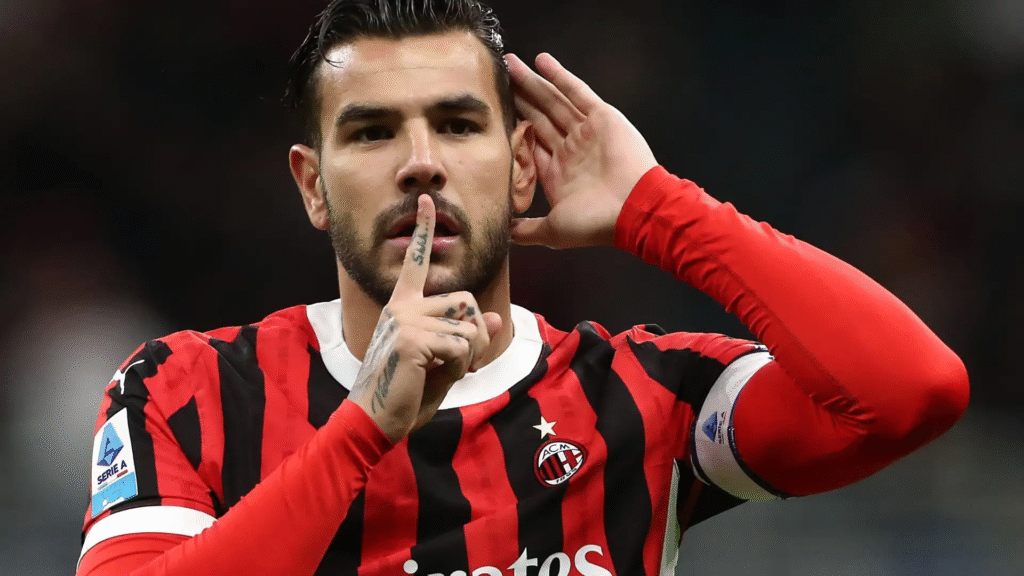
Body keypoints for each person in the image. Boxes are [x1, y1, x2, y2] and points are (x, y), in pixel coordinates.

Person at [75, 1, 970, 574]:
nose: (420, 163)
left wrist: (660, 210)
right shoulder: (185, 391)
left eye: (459, 125)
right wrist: (365, 431)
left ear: (521, 170)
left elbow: (909, 393)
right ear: (313, 185)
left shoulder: (642, 402)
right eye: (373, 132)